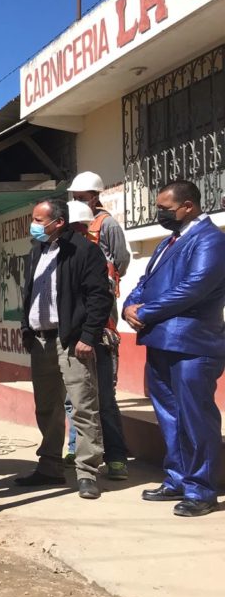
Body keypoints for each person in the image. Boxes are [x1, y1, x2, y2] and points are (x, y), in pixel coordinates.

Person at [124, 180, 225, 517]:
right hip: (160, 341)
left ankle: (202, 490)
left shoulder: (210, 240)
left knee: (196, 418)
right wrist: (129, 306)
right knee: (170, 416)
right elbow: (146, 282)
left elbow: (194, 287)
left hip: (193, 344)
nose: (159, 214)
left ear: (188, 207)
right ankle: (178, 479)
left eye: (165, 209)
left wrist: (145, 312)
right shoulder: (170, 241)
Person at [13, 198, 113, 500]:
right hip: (40, 341)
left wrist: (88, 336)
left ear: (58, 222)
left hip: (71, 341)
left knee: (83, 407)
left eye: (38, 220)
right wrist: (26, 329)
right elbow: (29, 293)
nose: (33, 225)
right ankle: (50, 467)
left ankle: (87, 472)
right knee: (47, 407)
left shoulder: (83, 251)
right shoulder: (37, 251)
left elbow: (99, 297)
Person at [64, 200, 130, 481]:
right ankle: (75, 448)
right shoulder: (61, 257)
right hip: (73, 339)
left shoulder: (94, 258)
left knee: (103, 399)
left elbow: (100, 301)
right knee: (74, 400)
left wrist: (90, 334)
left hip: (99, 338)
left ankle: (115, 457)